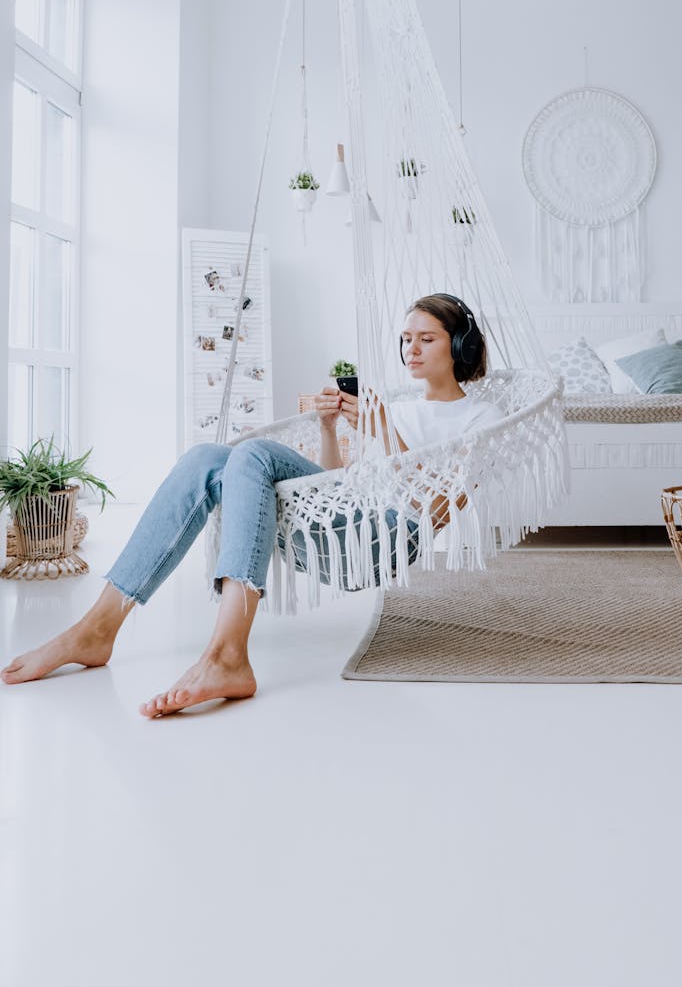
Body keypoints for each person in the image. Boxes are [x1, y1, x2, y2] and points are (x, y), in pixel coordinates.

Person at [1, 295, 503, 717]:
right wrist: (332, 430)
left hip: (381, 537)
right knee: (205, 459)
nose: (410, 349)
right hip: (343, 516)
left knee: (254, 455)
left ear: (460, 346)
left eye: (427, 338)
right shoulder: (398, 407)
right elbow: (331, 488)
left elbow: (437, 504)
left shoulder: (482, 416)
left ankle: (227, 654)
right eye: (406, 338)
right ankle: (97, 628)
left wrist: (380, 428)